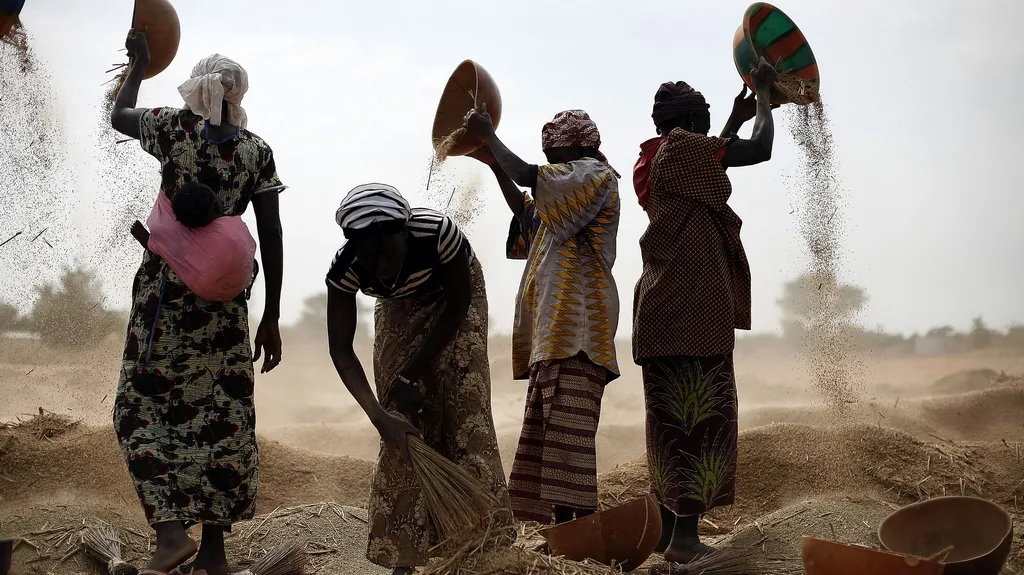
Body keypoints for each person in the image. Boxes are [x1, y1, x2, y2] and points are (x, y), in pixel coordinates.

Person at [110, 29, 286, 575]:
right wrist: (272, 316)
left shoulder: (170, 127)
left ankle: (169, 536)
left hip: (166, 300)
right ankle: (213, 554)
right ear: (238, 94)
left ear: (196, 86)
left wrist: (138, 63)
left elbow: (119, 115)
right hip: (226, 310)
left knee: (137, 409)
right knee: (224, 419)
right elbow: (272, 234)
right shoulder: (255, 150)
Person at [631, 57, 778, 564]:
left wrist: (729, 125)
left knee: (670, 423)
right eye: (708, 121)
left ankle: (670, 536)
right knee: (700, 419)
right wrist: (762, 95)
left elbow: (706, 158)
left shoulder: (654, 158)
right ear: (692, 126)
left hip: (660, 311)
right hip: (694, 311)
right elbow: (761, 150)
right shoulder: (687, 152)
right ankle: (687, 542)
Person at [325, 183, 513, 575]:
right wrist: (381, 417)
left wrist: (415, 371)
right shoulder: (345, 269)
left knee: (466, 412)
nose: (380, 266)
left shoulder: (438, 234)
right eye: (368, 254)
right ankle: (404, 560)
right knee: (403, 423)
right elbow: (341, 350)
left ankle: (483, 551)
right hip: (399, 306)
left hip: (454, 297)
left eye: (387, 251)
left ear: (405, 233)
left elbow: (458, 303)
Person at [464, 106, 621, 526]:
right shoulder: (563, 201)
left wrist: (491, 139)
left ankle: (580, 529)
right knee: (553, 437)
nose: (550, 163)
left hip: (580, 330)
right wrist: (494, 162)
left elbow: (528, 176)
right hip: (555, 331)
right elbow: (527, 209)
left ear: (578, 147)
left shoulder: (592, 176)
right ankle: (565, 529)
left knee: (569, 440)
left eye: (555, 155)